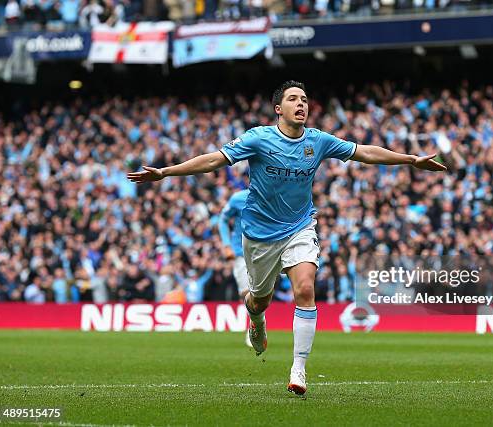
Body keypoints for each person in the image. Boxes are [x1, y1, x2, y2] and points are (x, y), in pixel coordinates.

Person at [127, 80, 446, 395]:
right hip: (259, 235)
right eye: (294, 99)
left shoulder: (318, 141)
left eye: (305, 99)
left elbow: (364, 152)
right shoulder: (258, 138)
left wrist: (411, 160)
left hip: (299, 227)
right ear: (279, 109)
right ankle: (256, 319)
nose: (302, 104)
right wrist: (166, 172)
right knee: (259, 299)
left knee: (305, 288)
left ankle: (298, 368)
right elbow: (214, 160)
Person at [218, 188, 254, 347]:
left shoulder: (274, 195)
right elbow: (223, 219)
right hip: (241, 251)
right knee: (246, 292)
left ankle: (256, 323)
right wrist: (226, 244)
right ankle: (254, 326)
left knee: (261, 292)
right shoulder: (238, 198)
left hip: (267, 250)